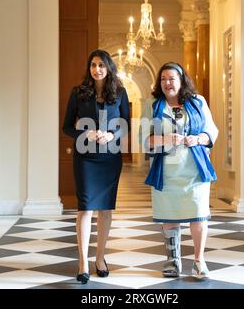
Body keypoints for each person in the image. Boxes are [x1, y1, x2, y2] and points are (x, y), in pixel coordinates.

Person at [141, 62, 218, 279]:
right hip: (166, 172)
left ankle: (199, 260)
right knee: (170, 215)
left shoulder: (198, 102)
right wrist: (165, 139)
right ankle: (173, 260)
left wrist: (198, 139)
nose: (167, 83)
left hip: (195, 170)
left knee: (198, 215)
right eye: (163, 79)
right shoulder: (152, 104)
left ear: (182, 80)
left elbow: (210, 131)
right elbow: (145, 140)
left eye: (172, 78)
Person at [63, 49, 130, 284]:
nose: (97, 69)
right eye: (93, 65)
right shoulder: (78, 93)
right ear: (89, 68)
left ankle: (100, 258)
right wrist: (85, 131)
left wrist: (112, 136)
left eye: (101, 65)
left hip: (110, 158)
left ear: (108, 67)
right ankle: (83, 262)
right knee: (85, 208)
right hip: (85, 158)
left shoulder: (120, 93)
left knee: (105, 210)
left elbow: (125, 124)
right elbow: (66, 127)